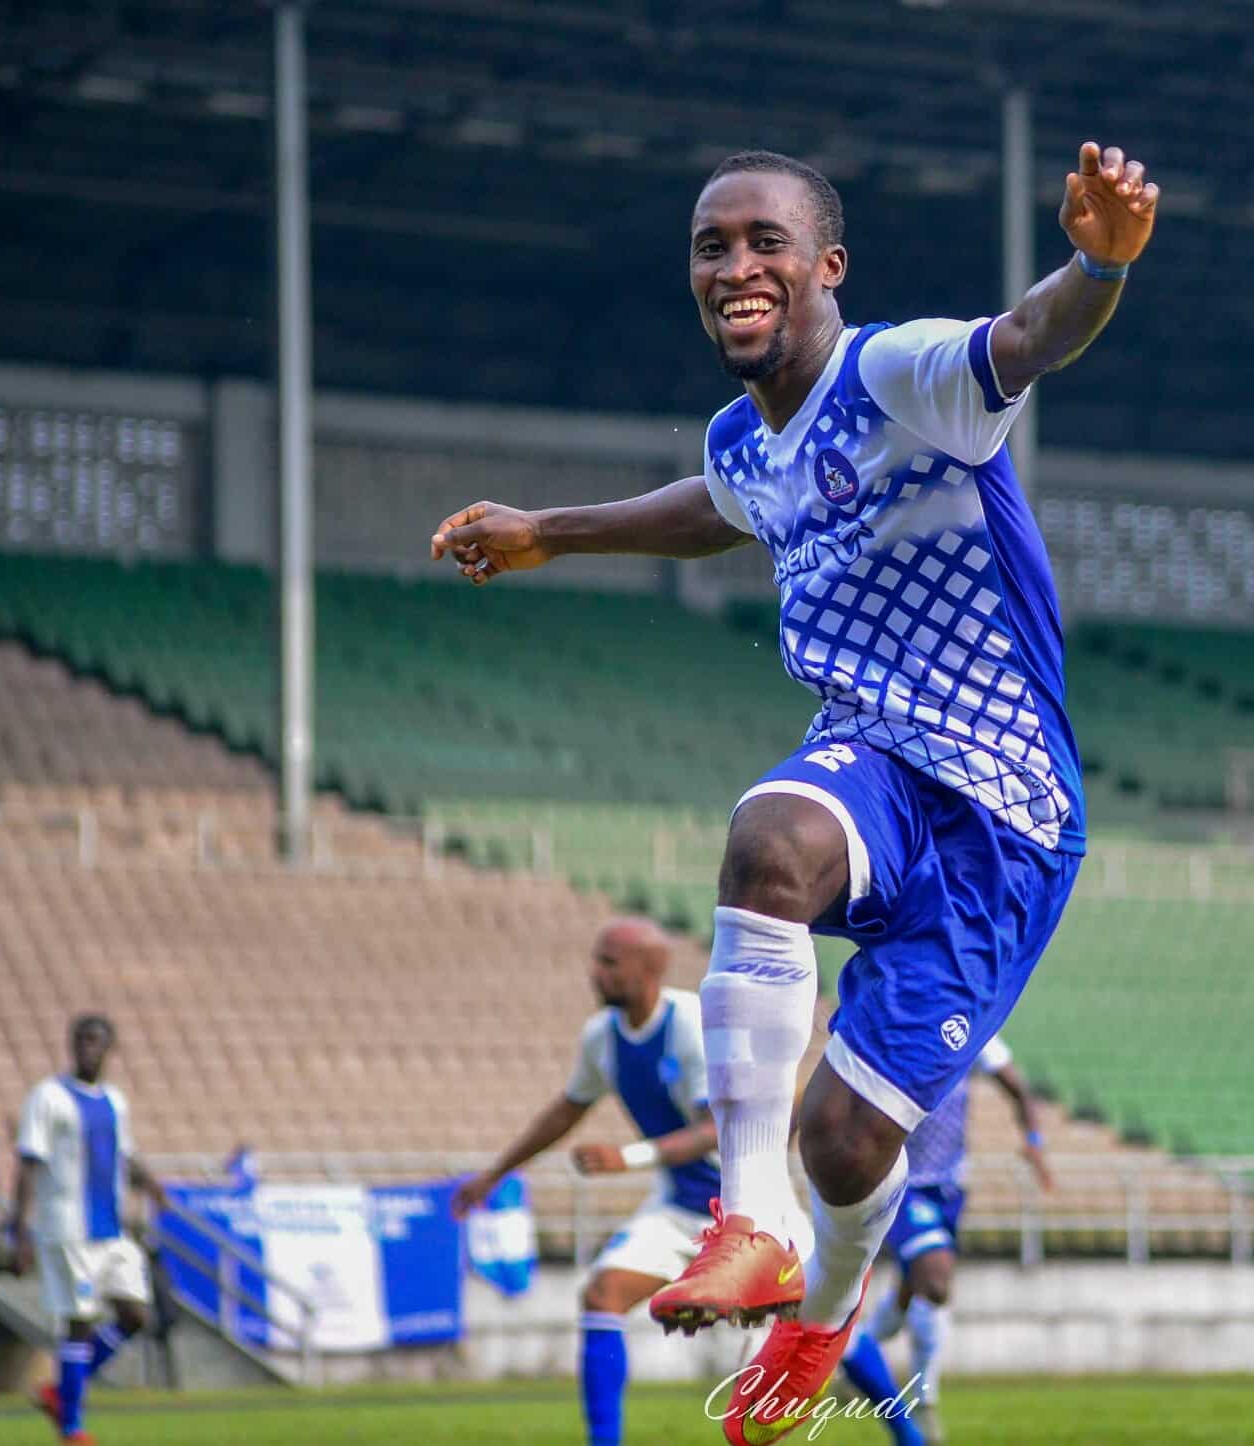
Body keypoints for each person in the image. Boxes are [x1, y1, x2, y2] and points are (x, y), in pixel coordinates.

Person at [433, 139, 1155, 1443]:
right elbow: (717, 503)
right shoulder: (745, 438)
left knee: (847, 1143)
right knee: (766, 836)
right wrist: (552, 530)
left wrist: (1097, 264)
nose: (735, 266)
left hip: (1002, 816)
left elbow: (1029, 337)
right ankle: (751, 1221)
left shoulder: (898, 376)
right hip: (873, 763)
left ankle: (822, 1305)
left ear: (827, 266)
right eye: (712, 246)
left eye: (765, 240)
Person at [451, 917, 752, 1446]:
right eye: (596, 960)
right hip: (682, 1206)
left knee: (829, 1320)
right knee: (603, 1293)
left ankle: (910, 1432)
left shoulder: (689, 1023)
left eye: (609, 962)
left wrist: (628, 1158)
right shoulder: (602, 1038)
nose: (595, 972)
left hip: (749, 1204)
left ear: (650, 969)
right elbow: (566, 1111)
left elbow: (715, 1130)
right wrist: (494, 1175)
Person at [841, 1035, 1049, 1445]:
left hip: (950, 1185)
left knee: (909, 1291)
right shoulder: (895, 1024)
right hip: (899, 1181)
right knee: (935, 1282)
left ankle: (859, 1354)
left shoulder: (973, 1028)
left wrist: (1034, 1140)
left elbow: (1017, 1088)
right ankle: (923, 1402)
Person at [13, 1015, 168, 1445]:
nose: (86, 1047)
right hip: (68, 1227)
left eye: (95, 1041)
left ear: (109, 1048)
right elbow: (28, 1163)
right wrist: (19, 1230)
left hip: (111, 1229)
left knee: (136, 1315)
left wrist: (150, 1182)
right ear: (71, 1045)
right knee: (79, 1322)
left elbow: (125, 1156)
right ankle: (72, 1428)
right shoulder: (48, 1097)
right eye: (80, 1040)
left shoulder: (116, 1102)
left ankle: (59, 1392)